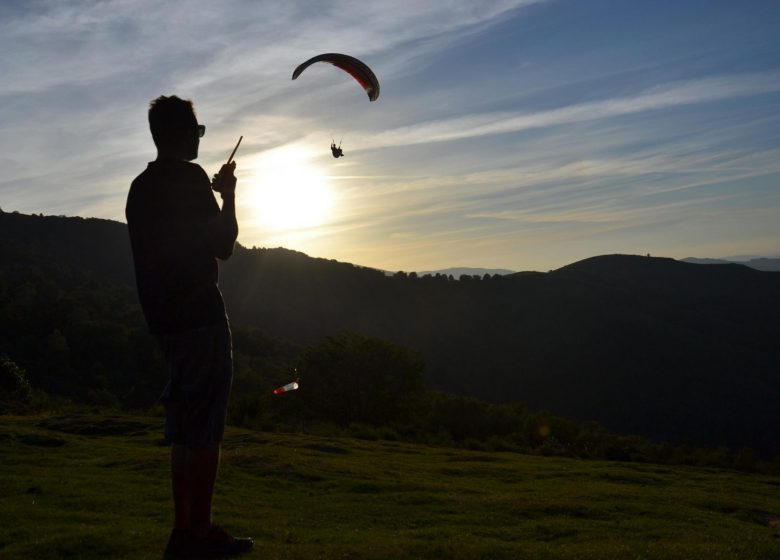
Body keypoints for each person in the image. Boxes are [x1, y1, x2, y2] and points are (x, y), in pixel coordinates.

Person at [125, 95, 252, 559]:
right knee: (206, 432)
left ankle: (184, 533)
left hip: (165, 323)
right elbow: (224, 246)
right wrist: (230, 196)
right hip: (200, 318)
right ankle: (199, 534)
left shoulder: (141, 187)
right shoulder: (190, 179)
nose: (201, 140)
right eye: (198, 132)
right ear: (181, 133)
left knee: (183, 429)